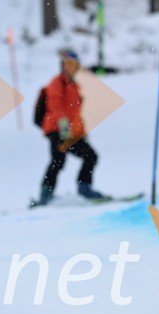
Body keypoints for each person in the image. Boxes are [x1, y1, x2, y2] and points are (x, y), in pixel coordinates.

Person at [36, 49, 109, 206]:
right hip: (56, 129)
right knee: (58, 160)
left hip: (70, 131)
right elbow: (55, 106)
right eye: (68, 64)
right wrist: (63, 125)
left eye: (74, 65)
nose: (71, 68)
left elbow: (75, 114)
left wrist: (81, 133)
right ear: (62, 66)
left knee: (90, 156)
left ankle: (84, 188)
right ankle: (45, 195)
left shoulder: (74, 86)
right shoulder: (56, 83)